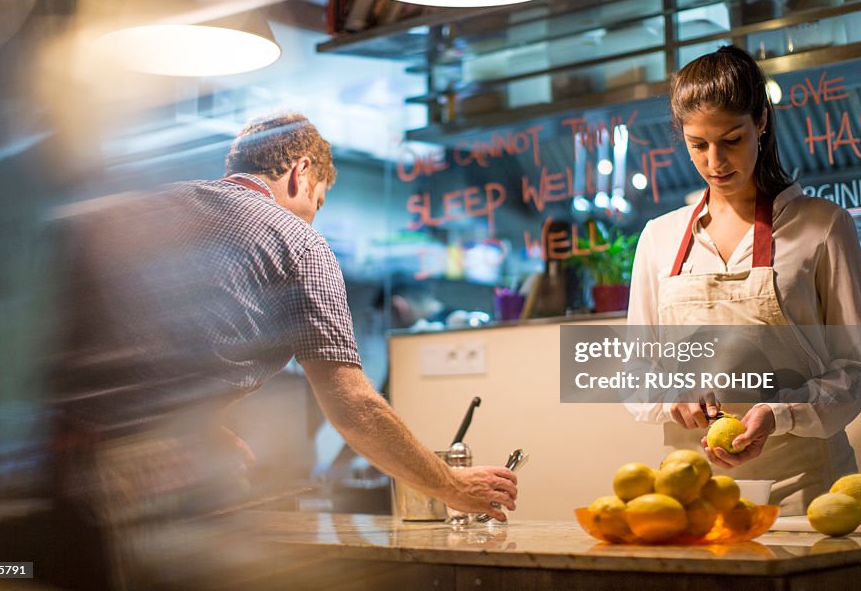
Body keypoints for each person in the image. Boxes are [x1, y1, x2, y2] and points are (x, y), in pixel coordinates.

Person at [48, 112, 517, 587]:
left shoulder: (150, 208)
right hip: (145, 492)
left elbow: (142, 340)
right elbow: (352, 406)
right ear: (301, 173)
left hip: (48, 472)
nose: (314, 215)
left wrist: (198, 422)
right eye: (318, 201)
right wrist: (451, 484)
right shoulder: (299, 243)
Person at [625, 46, 861, 515]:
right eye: (698, 144)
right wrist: (672, 397)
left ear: (761, 121)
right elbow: (638, 372)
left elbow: (857, 370)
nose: (715, 161)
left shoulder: (823, 226)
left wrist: (779, 416)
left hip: (805, 488)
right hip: (691, 490)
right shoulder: (658, 238)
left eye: (732, 139)